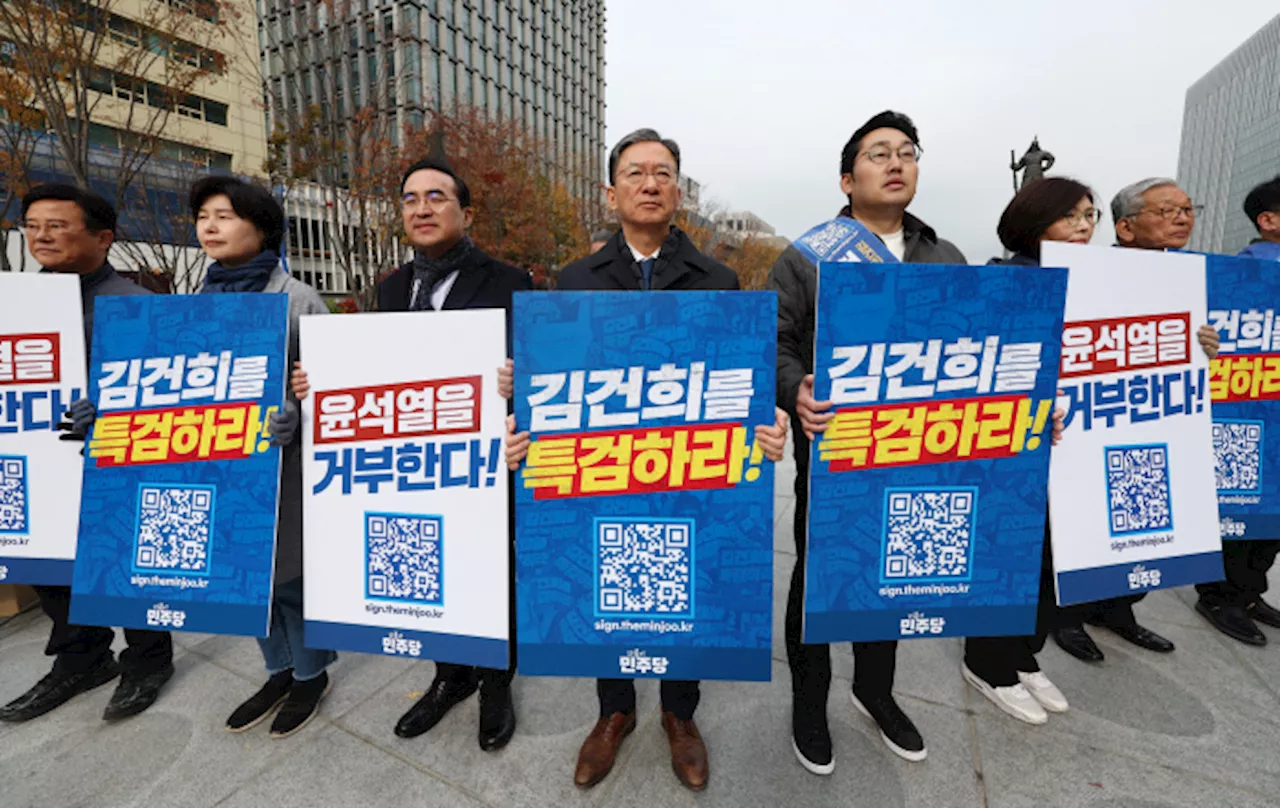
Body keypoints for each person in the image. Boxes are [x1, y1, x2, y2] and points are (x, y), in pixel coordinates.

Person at [502, 128, 788, 792]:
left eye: (663, 173)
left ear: (678, 190)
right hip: (604, 471)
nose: (650, 183)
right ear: (612, 192)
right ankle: (615, 711)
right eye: (636, 172)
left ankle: (680, 715)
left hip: (685, 472)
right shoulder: (574, 282)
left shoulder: (718, 280)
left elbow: (738, 385)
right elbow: (558, 386)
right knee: (608, 580)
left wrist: (763, 429)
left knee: (682, 583)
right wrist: (525, 418)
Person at [294, 156, 531, 751]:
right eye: (410, 199)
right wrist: (317, 384)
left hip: (481, 464)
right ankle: (448, 679)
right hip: (415, 463)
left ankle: (496, 682)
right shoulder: (392, 287)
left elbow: (541, 370)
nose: (422, 208)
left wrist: (517, 382)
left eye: (436, 197)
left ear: (465, 211)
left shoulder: (511, 282)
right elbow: (375, 372)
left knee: (489, 571)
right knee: (434, 568)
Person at [769, 110, 965, 775]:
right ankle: (810, 699)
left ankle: (875, 690)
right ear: (848, 178)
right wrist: (795, 387)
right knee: (819, 576)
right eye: (879, 153)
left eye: (907, 152)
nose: (896, 163)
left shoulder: (946, 256)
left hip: (918, 449)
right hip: (836, 453)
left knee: (894, 571)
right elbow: (776, 342)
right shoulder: (806, 254)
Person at [0, 184, 174, 724]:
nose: (41, 236)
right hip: (36, 462)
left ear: (103, 237)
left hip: (114, 464)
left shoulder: (135, 304)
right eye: (32, 225)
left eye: (57, 225)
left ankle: (148, 661)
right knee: (49, 564)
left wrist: (107, 408)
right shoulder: (16, 303)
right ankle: (80, 658)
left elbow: (166, 393)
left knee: (122, 560)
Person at [185, 176, 333, 739]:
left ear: (261, 226)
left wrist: (301, 415)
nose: (210, 226)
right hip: (220, 466)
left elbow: (334, 388)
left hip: (285, 469)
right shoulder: (194, 305)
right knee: (245, 575)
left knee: (292, 577)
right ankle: (277, 669)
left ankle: (311, 674)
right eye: (203, 216)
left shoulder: (296, 299)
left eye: (224, 215)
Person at [1051, 177, 1219, 663]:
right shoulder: (1088, 272)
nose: (1181, 218)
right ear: (1125, 228)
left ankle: (1118, 609)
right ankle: (1066, 618)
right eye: (1166, 211)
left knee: (1142, 512)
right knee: (1082, 515)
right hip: (1086, 418)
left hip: (1149, 417)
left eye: (1188, 208)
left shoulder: (1190, 279)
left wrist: (1206, 349)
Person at [959, 177, 1092, 725]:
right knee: (1009, 551)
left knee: (1052, 559)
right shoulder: (1005, 281)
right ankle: (987, 663)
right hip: (1012, 451)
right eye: (1072, 216)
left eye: (1091, 216)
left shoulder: (1101, 283)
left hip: (1076, 447)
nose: (1085, 226)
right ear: (1035, 223)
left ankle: (1023, 655)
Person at [1193, 175, 1280, 646]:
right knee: (1239, 507)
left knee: (1276, 517)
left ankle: (1250, 591)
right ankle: (1219, 595)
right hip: (1249, 410)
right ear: (1268, 221)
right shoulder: (1237, 275)